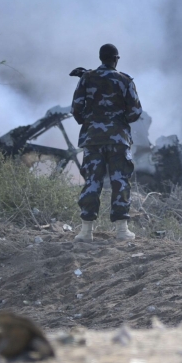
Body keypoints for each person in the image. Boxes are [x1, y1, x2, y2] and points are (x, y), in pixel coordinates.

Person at [70, 43, 142, 242]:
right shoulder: (125, 81)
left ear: (100, 58)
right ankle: (121, 230)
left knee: (92, 181)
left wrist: (90, 121)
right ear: (116, 59)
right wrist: (119, 121)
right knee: (120, 181)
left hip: (93, 139)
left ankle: (86, 231)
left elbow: (76, 108)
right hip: (119, 140)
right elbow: (135, 112)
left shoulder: (86, 78)